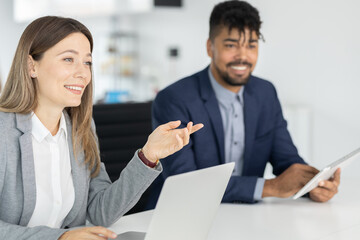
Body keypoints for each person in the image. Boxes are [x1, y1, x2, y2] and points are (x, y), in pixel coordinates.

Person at [0, 16, 203, 240]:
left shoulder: (80, 127)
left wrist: (149, 155)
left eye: (87, 62)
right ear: (32, 66)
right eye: (68, 59)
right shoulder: (4, 131)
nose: (83, 73)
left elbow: (101, 211)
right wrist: (61, 237)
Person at [150, 0, 340, 208]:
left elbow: (287, 161)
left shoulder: (265, 93)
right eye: (231, 45)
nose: (242, 56)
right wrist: (271, 187)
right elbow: (184, 184)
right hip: (181, 215)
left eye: (251, 45)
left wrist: (314, 184)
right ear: (210, 47)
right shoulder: (175, 99)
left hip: (246, 217)